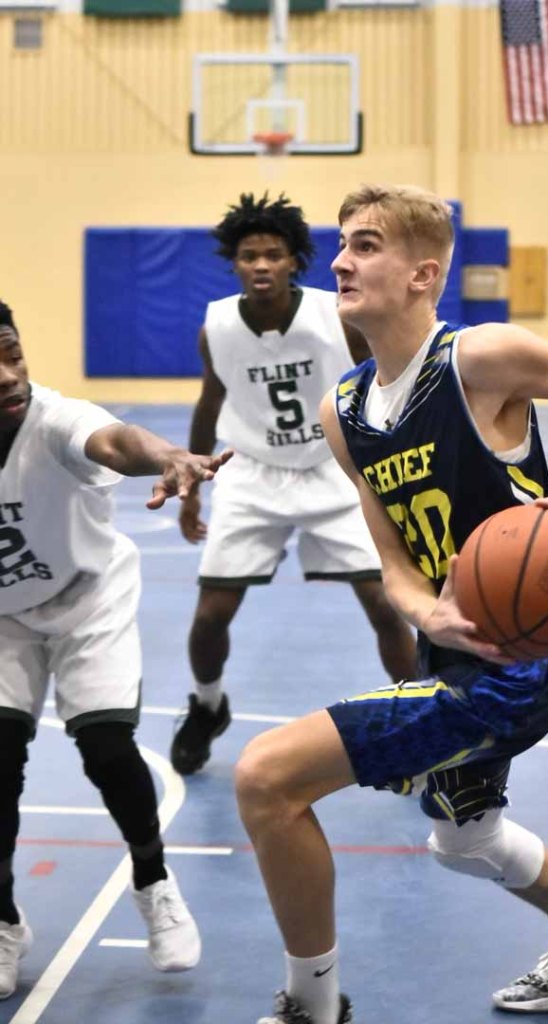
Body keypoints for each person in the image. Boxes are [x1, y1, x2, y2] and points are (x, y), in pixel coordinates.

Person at [233, 184, 548, 1024]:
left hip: (513, 668)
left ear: (422, 274)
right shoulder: (343, 413)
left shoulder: (477, 358)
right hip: (447, 645)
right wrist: (426, 612)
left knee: (266, 777)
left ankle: (312, 1005)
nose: (340, 261)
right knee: (463, 838)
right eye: (342, 244)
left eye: (366, 245)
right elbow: (395, 562)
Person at [0, 300, 233, 999]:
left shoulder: (54, 420)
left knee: (105, 748)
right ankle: (4, 919)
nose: (8, 373)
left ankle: (153, 880)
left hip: (87, 597)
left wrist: (169, 457)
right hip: (4, 618)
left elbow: (115, 441)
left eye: (12, 352)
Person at [170, 192, 416, 776]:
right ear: (235, 263)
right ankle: (207, 705)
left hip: (332, 468)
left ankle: (417, 721)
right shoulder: (217, 325)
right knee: (210, 615)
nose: (261, 265)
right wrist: (193, 484)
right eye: (249, 256)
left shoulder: (337, 315)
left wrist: (394, 470)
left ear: (293, 261)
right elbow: (210, 402)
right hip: (252, 472)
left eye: (273, 255)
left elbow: (384, 387)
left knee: (386, 605)